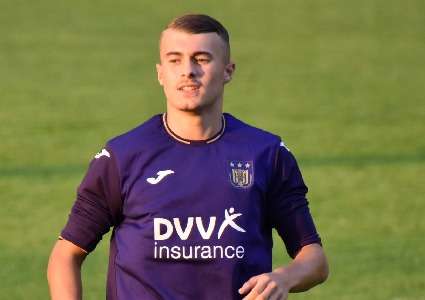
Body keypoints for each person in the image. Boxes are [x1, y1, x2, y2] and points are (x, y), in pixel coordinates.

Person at [47, 14, 328, 300]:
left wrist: (284, 277)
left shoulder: (266, 154)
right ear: (160, 73)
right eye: (175, 60)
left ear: (228, 71)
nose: (188, 71)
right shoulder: (122, 156)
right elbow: (66, 255)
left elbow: (314, 258)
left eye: (202, 59)